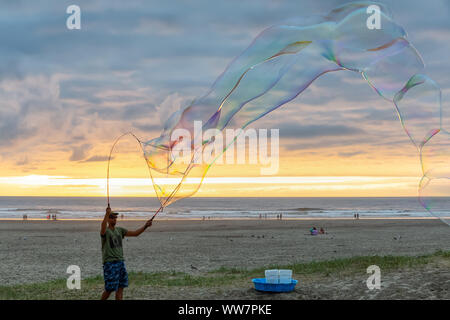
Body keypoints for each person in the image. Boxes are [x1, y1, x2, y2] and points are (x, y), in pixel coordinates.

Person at [100, 206, 153, 300]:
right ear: (108, 219)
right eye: (112, 217)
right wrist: (106, 214)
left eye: (115, 217)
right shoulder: (106, 231)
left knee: (121, 288)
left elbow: (135, 233)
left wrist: (145, 226)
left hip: (120, 262)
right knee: (109, 289)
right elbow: (103, 227)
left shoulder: (120, 230)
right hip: (110, 263)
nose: (114, 219)